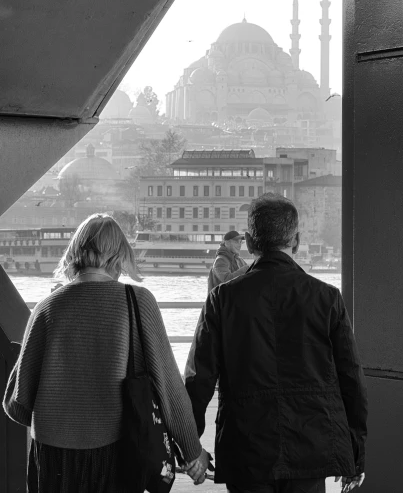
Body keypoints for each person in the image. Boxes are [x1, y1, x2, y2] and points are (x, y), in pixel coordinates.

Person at [3, 213, 210, 492]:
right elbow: (169, 386)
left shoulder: (46, 307)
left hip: (52, 455)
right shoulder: (137, 301)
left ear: (74, 252)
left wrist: (63, 421)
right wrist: (192, 451)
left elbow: (16, 402)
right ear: (120, 255)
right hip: (115, 451)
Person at [185, 193, 368, 493]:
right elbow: (352, 380)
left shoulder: (222, 300)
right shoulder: (327, 298)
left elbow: (198, 379)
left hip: (246, 450)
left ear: (249, 241)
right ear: (295, 241)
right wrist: (356, 454)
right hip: (312, 447)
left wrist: (191, 448)